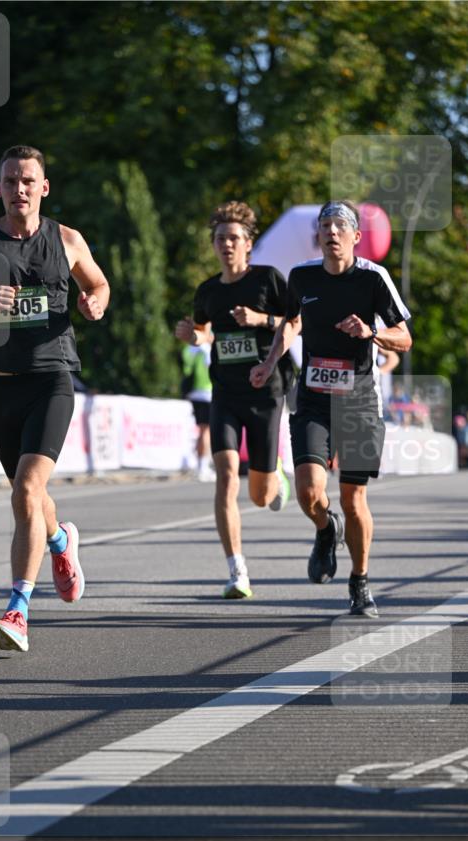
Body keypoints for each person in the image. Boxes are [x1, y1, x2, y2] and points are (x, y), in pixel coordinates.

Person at [0, 144, 109, 652]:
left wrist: (95, 302)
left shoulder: (68, 239)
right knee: (26, 498)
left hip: (52, 378)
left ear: (44, 187)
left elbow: (98, 283)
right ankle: (60, 541)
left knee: (28, 491)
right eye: (10, 181)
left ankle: (18, 609)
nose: (20, 189)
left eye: (28, 180)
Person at [251, 200, 412, 617]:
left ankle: (359, 581)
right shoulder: (301, 276)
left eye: (341, 226)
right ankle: (326, 528)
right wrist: (269, 363)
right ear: (317, 236)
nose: (332, 232)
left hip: (359, 400)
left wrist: (372, 331)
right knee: (307, 491)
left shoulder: (374, 278)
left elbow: (405, 338)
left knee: (353, 498)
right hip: (314, 398)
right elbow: (291, 322)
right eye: (325, 226)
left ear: (356, 237)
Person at [175, 201, 292, 599]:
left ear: (248, 244)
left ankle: (273, 473)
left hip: (266, 391)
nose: (227, 244)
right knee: (226, 476)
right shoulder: (207, 291)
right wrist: (193, 336)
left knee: (260, 496)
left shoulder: (268, 281)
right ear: (213, 244)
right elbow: (205, 333)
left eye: (234, 238)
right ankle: (236, 570)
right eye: (220, 238)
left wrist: (262, 321)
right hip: (224, 391)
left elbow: (296, 321)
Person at [181, 341, 215, 482]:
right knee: (205, 431)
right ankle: (203, 466)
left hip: (194, 393)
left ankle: (200, 464)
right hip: (206, 393)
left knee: (202, 430)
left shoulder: (189, 349)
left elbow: (185, 368)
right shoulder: (206, 349)